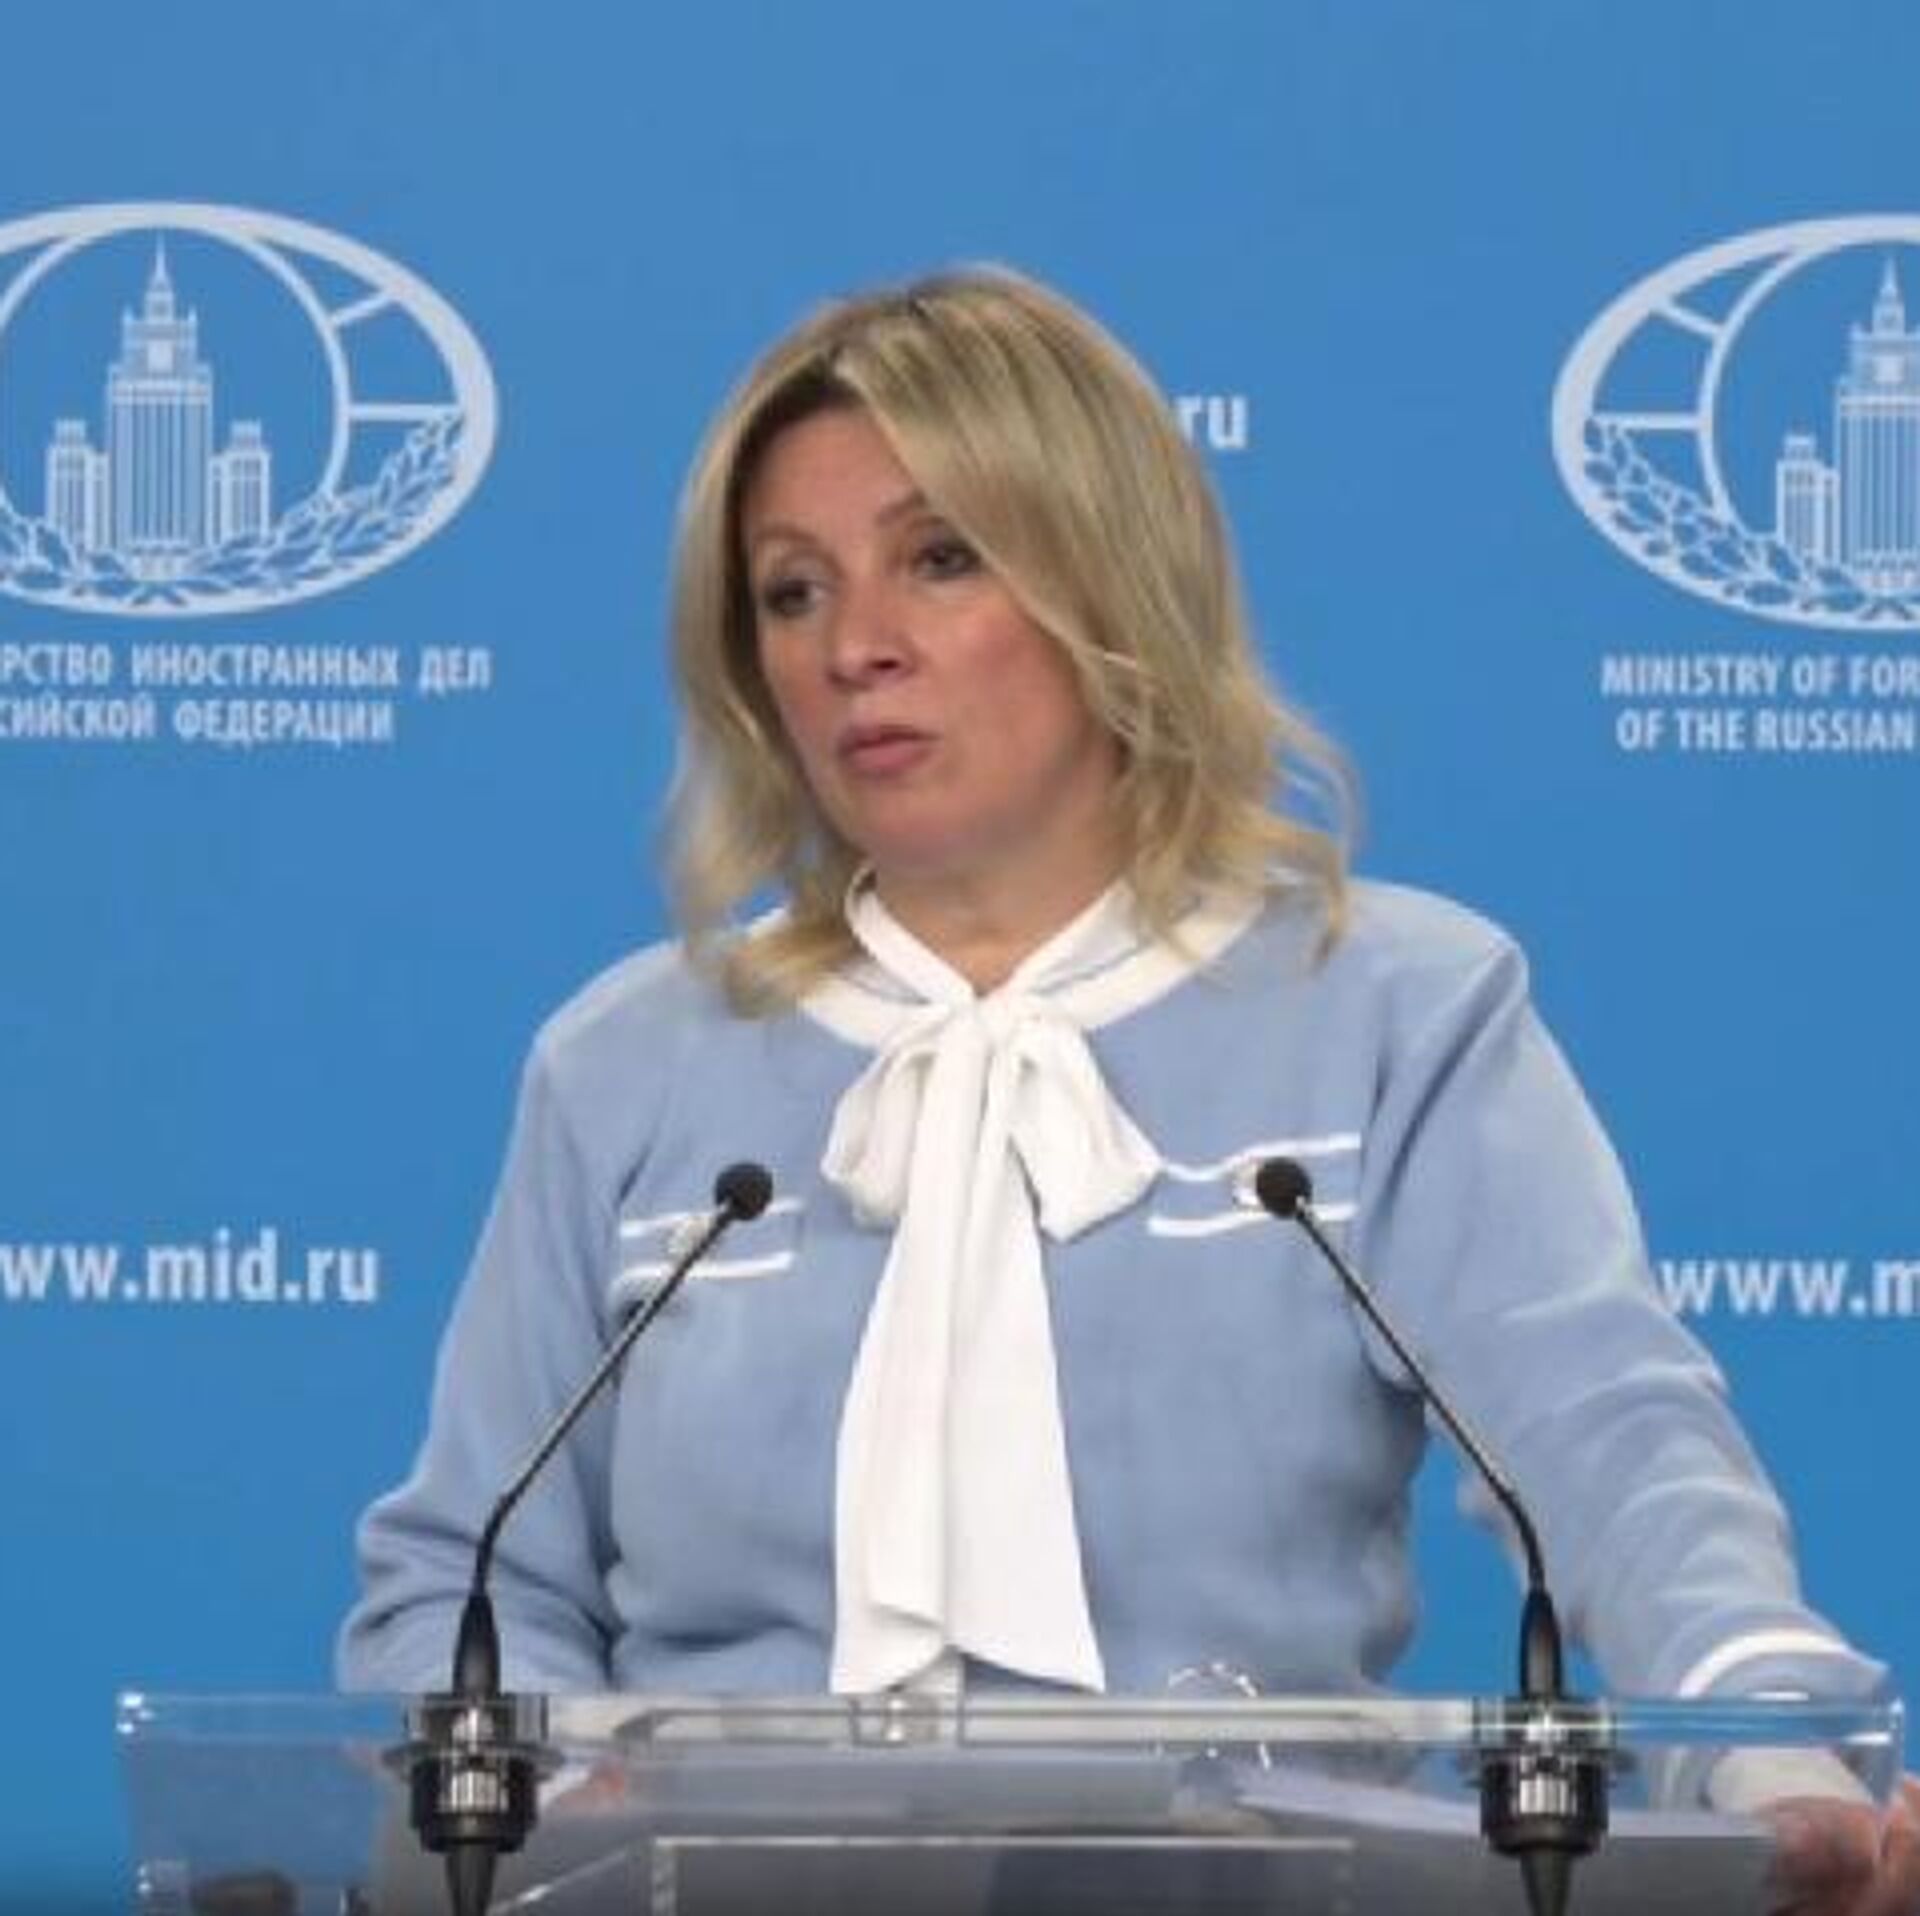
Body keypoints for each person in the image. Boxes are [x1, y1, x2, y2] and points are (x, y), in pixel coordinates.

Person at [339, 266, 1918, 1910]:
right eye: (792, 592)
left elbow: (1612, 1447)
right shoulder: (628, 1062)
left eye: (941, 559)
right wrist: (552, 1800)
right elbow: (462, 1579)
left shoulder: (1393, 1009)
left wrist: (1773, 1757)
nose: (857, 648)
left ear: (1109, 577)